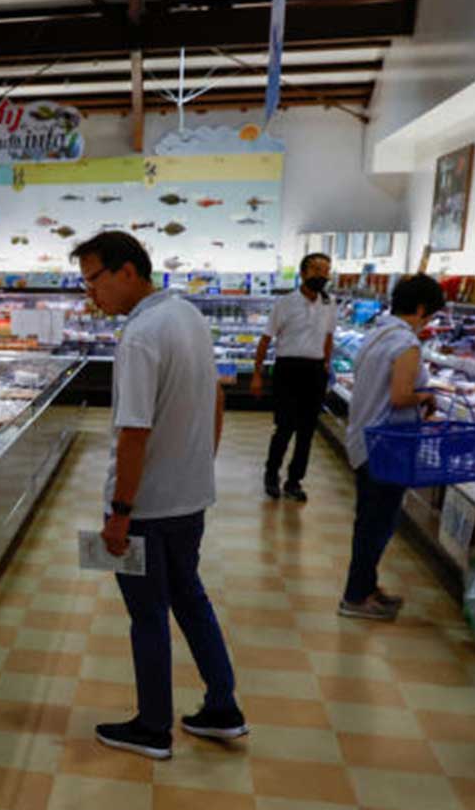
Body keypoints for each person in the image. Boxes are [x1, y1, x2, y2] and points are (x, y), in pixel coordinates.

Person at [74, 230, 244, 760]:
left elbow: (134, 433)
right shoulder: (188, 316)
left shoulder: (142, 335)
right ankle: (222, 708)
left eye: (93, 281)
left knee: (147, 615)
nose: (91, 295)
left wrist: (120, 513)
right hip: (189, 499)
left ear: (128, 272)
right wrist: (200, 464)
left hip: (146, 508)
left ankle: (152, 727)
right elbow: (216, 394)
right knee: (190, 598)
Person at [340, 274, 444, 621]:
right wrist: (427, 396)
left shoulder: (376, 334)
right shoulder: (405, 344)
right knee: (376, 524)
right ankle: (356, 597)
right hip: (386, 444)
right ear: (419, 309)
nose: (428, 323)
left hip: (365, 437)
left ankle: (366, 587)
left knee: (371, 520)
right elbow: (401, 397)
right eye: (429, 316)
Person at [253, 252, 335, 502]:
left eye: (325, 270)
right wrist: (257, 373)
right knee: (285, 427)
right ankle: (271, 475)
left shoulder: (329, 304)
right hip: (288, 370)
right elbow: (266, 339)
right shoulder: (285, 303)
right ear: (303, 273)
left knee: (308, 431)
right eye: (316, 269)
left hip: (315, 370)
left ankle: (294, 481)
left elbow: (329, 337)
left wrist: (326, 364)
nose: (321, 275)